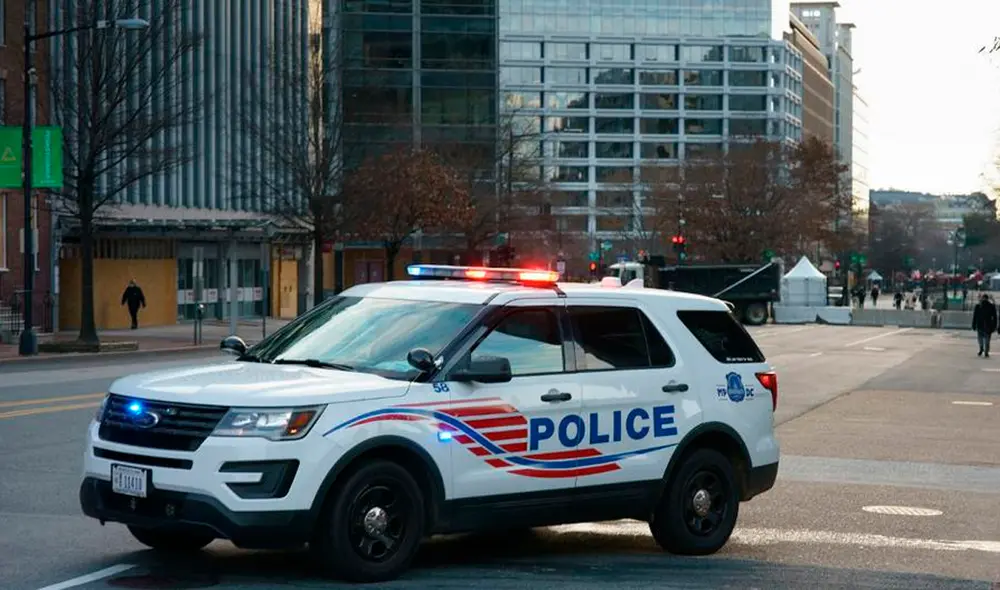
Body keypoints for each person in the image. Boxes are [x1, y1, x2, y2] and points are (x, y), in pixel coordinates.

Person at [971, 293, 998, 357]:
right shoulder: (991, 306)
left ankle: (981, 349)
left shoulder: (978, 306)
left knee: (980, 338)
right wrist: (994, 326)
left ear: (983, 298)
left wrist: (974, 325)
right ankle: (986, 351)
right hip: (988, 325)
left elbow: (975, 316)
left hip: (980, 324)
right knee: (987, 339)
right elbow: (995, 317)